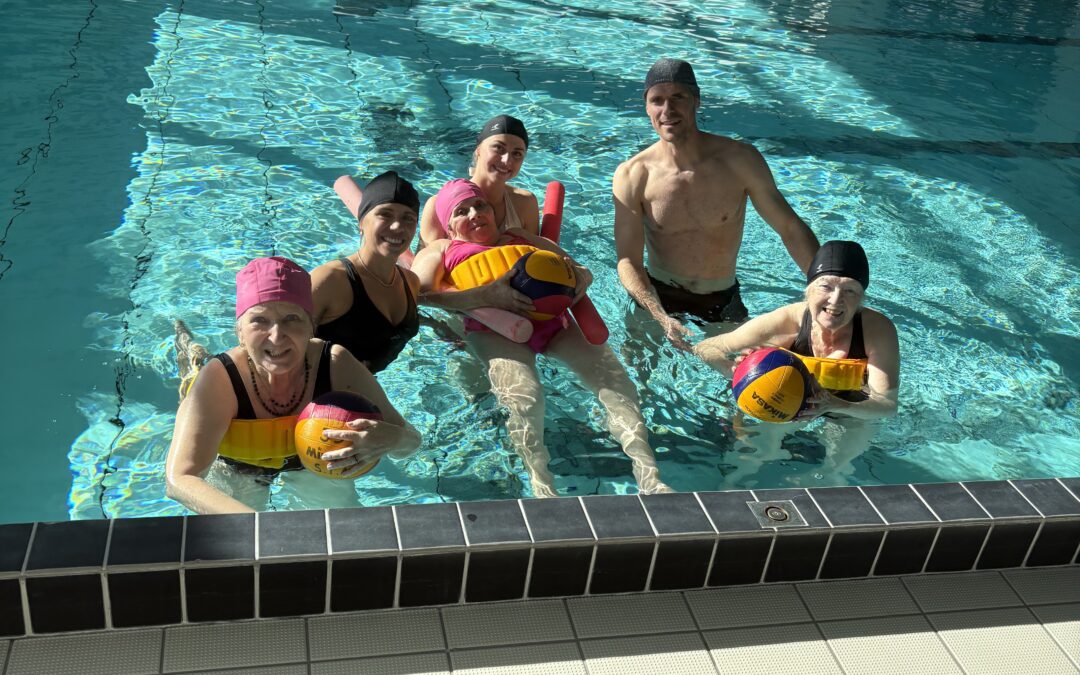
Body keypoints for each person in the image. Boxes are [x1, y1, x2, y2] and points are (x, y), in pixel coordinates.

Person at [411, 179, 670, 497]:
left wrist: (575, 283)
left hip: (555, 325)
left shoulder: (522, 238)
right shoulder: (444, 249)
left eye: (480, 205)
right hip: (495, 334)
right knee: (525, 397)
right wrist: (485, 295)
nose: (475, 213)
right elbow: (419, 296)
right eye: (461, 211)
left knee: (615, 383)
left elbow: (582, 271)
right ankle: (542, 486)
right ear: (449, 226)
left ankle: (649, 476)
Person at [166, 256, 421, 514]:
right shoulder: (220, 380)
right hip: (237, 466)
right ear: (239, 332)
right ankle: (189, 348)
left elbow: (411, 443)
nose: (277, 336)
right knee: (240, 532)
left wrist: (390, 438)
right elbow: (180, 480)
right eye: (259, 320)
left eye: (291, 318)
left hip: (311, 463)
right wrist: (259, 527)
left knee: (340, 530)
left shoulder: (334, 363)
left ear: (311, 326)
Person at [613, 58, 820, 350]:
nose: (667, 111)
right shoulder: (633, 174)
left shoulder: (739, 161)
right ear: (646, 107)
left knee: (744, 387)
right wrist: (659, 315)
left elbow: (788, 227)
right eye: (656, 101)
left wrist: (823, 287)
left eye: (678, 98)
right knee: (637, 383)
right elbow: (628, 260)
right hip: (657, 296)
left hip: (722, 300)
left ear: (696, 100)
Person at [694, 241, 899, 483]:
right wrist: (738, 372)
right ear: (809, 289)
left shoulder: (877, 330)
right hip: (785, 400)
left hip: (850, 409)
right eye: (826, 287)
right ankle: (730, 493)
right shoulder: (788, 320)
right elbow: (705, 348)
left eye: (850, 291)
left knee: (837, 469)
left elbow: (886, 405)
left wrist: (834, 404)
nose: (835, 300)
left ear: (861, 299)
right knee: (753, 455)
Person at [311, 171, 421, 373]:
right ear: (361, 222)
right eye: (385, 214)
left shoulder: (410, 282)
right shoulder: (330, 280)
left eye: (408, 218)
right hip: (318, 401)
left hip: (365, 395)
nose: (398, 226)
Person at [420, 115, 540, 245]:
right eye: (499, 148)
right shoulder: (437, 206)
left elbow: (535, 256)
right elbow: (423, 260)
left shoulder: (525, 203)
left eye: (517, 154)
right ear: (478, 150)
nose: (507, 160)